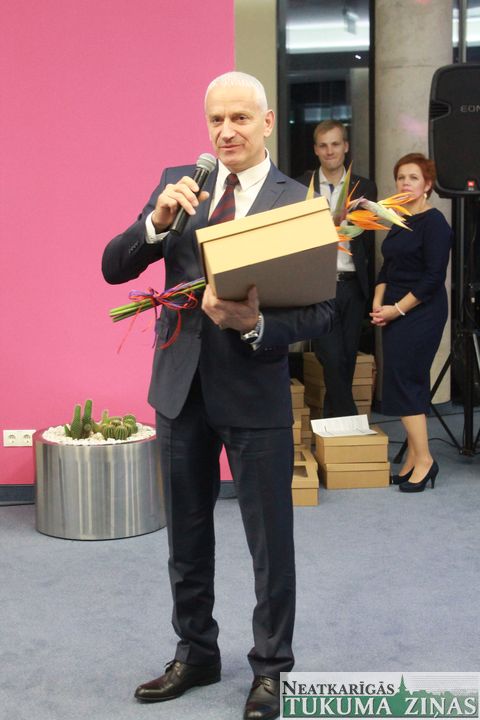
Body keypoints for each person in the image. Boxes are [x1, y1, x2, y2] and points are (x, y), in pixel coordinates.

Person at [102, 71, 334, 720]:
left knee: (270, 544)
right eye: (215, 120)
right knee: (186, 538)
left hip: (255, 392)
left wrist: (256, 324)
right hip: (181, 392)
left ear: (266, 123)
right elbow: (114, 267)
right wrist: (155, 223)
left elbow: (321, 311)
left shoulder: (296, 200)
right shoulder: (181, 185)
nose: (226, 131)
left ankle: (272, 670)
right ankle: (196, 653)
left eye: (239, 118)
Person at [370, 153, 452, 493]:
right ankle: (413, 459)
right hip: (393, 310)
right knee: (401, 381)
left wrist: (397, 310)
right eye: (401, 177)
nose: (405, 183)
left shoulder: (435, 223)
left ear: (427, 185)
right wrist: (378, 303)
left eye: (413, 177)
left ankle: (426, 460)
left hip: (421, 312)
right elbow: (387, 268)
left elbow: (432, 279)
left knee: (407, 382)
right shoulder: (399, 218)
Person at [297, 120, 377, 417]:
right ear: (315, 150)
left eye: (335, 144)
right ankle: (350, 422)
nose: (329, 151)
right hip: (319, 286)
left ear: (345, 146)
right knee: (330, 356)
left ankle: (333, 426)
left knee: (346, 358)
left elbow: (368, 241)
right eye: (323, 145)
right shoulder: (301, 186)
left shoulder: (365, 187)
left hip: (353, 284)